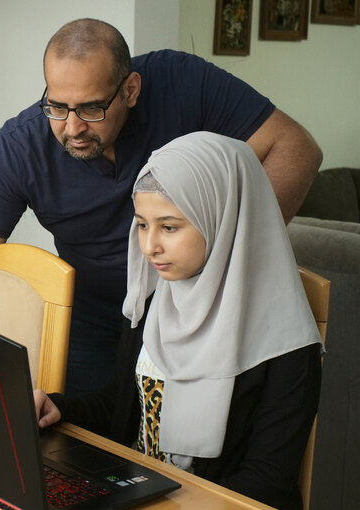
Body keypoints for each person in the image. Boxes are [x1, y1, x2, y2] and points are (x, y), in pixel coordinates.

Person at [0, 18, 322, 395]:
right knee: (89, 440)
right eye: (57, 106)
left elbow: (296, 148)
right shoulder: (20, 147)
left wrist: (226, 260)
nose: (72, 128)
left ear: (131, 90)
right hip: (94, 314)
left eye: (90, 108)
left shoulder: (181, 82)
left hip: (197, 300)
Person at [33, 132, 323, 510]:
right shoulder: (154, 301)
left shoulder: (286, 344)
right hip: (138, 492)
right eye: (141, 224)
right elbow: (124, 407)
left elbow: (266, 483)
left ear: (222, 219)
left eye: (169, 227)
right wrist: (62, 408)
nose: (149, 246)